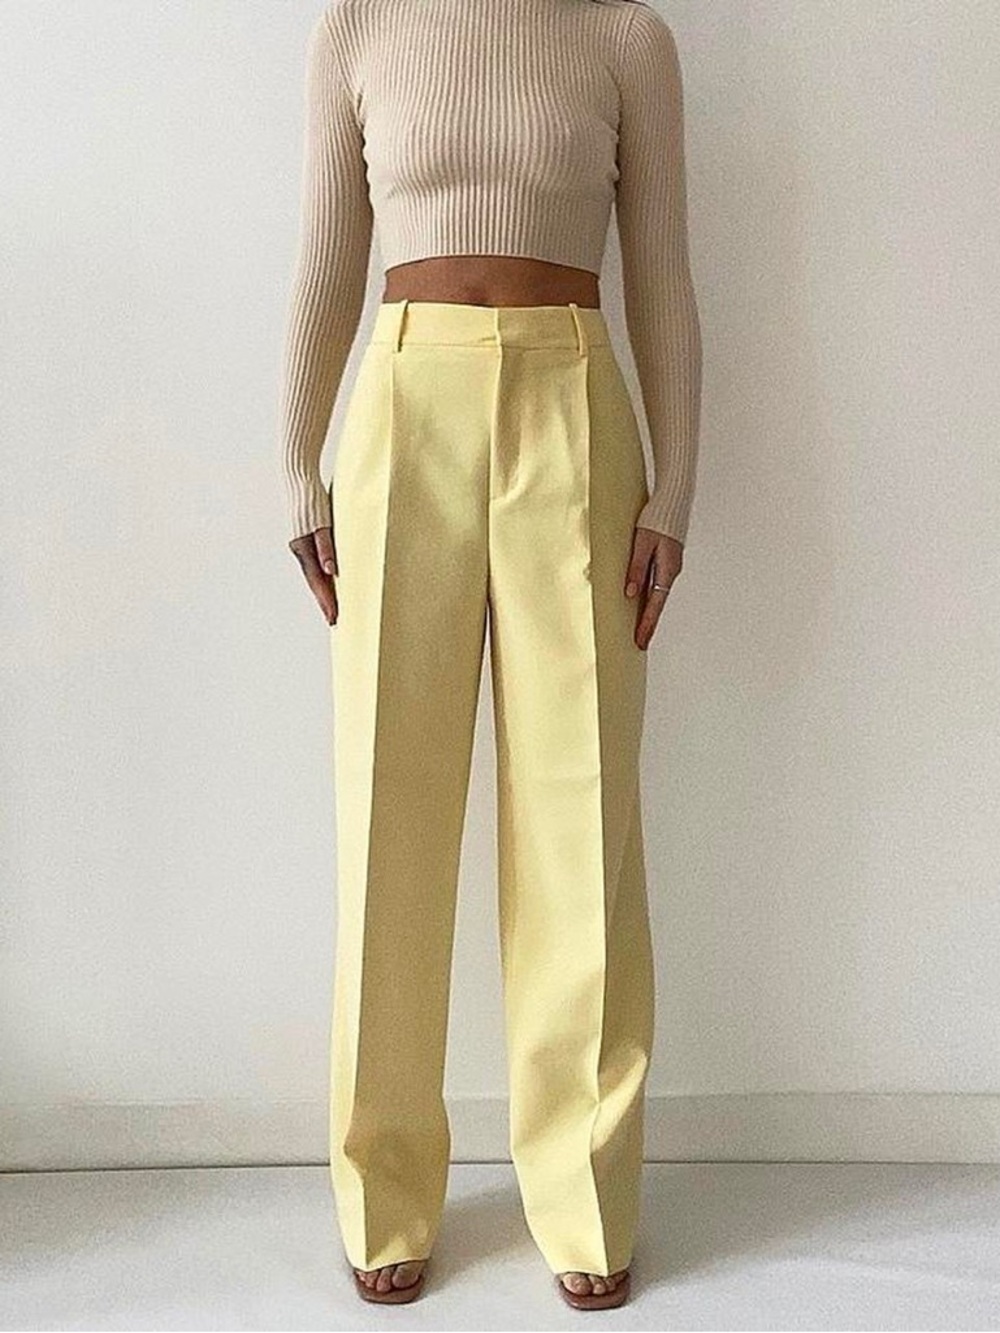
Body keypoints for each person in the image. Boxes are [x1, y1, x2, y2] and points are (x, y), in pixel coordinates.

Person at [278, 0, 701, 1311]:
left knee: (581, 819)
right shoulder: (359, 27)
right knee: (388, 816)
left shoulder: (625, 37)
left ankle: (586, 1196)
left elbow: (664, 276)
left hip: (574, 400)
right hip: (406, 405)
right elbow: (325, 263)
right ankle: (383, 1186)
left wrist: (674, 490)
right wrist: (294, 461)